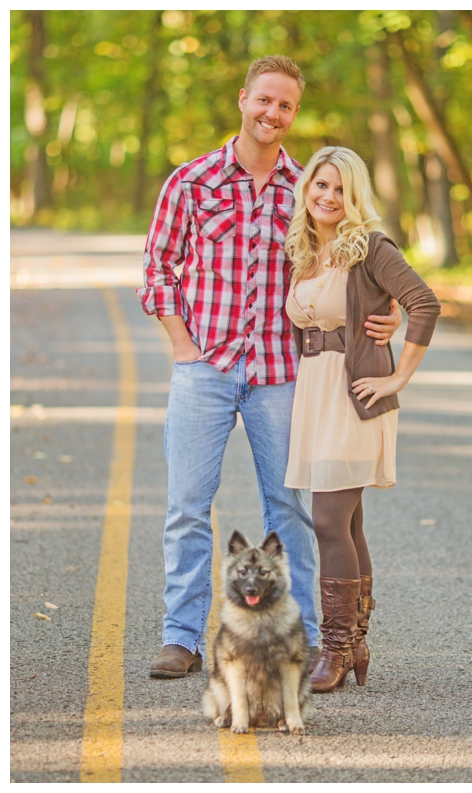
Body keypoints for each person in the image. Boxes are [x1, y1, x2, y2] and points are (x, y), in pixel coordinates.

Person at [138, 55, 401, 678]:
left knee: (289, 510)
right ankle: (182, 637)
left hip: (283, 374)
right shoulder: (192, 182)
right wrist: (182, 344)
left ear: (294, 114)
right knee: (186, 506)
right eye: (264, 100)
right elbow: (157, 270)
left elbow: (355, 258)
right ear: (243, 99)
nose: (272, 113)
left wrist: (386, 313)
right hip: (205, 368)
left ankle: (308, 638)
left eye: (285, 105)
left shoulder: (305, 188)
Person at [283, 146, 440, 692]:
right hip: (314, 395)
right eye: (320, 185)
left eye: (340, 189)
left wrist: (399, 378)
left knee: (328, 521)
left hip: (355, 396)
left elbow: (424, 302)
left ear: (355, 197)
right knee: (347, 521)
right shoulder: (302, 251)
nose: (328, 197)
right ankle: (356, 642)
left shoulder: (370, 247)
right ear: (307, 189)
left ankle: (335, 648)